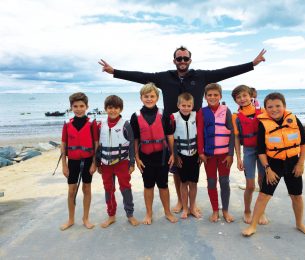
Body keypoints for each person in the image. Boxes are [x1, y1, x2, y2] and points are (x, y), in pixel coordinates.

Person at [99, 46, 266, 211]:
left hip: (195, 128)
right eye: (179, 58)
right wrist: (114, 71)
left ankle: (191, 203)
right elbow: (141, 76)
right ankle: (180, 200)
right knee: (177, 168)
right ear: (174, 61)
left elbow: (225, 72)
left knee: (193, 167)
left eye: (186, 58)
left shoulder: (200, 75)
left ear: (190, 60)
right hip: (172, 129)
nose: (182, 61)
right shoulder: (165, 77)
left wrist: (252, 64)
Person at [242, 92, 305, 237]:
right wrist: (267, 169)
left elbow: (304, 144)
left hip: (293, 164)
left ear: (284, 106)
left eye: (278, 106)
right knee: (263, 196)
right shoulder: (263, 124)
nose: (274, 109)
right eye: (270, 107)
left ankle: (299, 223)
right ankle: (253, 226)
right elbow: (261, 151)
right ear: (265, 109)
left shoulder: (293, 119)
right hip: (274, 165)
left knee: (296, 196)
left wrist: (300, 164)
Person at [130, 83, 178, 224]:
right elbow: (135, 139)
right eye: (146, 96)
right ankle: (149, 214)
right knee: (148, 185)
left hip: (162, 156)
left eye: (152, 96)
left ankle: (167, 212)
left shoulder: (164, 114)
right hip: (145, 157)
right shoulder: (135, 116)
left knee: (163, 185)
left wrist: (173, 154)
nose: (149, 99)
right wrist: (136, 158)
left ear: (157, 97)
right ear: (141, 98)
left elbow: (170, 136)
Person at [96, 95, 139, 228]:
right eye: (110, 108)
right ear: (105, 109)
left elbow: (131, 144)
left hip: (122, 163)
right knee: (108, 189)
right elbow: (98, 146)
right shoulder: (100, 125)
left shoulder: (126, 125)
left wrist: (132, 163)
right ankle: (111, 215)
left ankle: (130, 214)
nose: (113, 110)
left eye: (116, 108)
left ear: (120, 109)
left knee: (125, 188)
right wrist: (98, 163)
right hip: (105, 164)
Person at [60, 92, 98, 231]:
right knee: (71, 190)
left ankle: (85, 218)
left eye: (81, 106)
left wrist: (95, 163)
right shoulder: (67, 124)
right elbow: (63, 145)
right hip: (73, 162)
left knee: (86, 188)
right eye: (75, 106)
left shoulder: (92, 124)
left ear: (87, 107)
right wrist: (64, 165)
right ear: (71, 108)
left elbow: (96, 144)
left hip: (88, 160)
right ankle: (71, 219)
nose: (79, 109)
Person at [196, 83, 235, 223]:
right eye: (209, 95)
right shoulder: (201, 112)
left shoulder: (226, 110)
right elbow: (199, 133)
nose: (212, 97)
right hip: (209, 156)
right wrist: (200, 152)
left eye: (215, 95)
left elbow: (232, 133)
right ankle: (215, 210)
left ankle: (225, 210)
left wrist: (231, 154)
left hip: (224, 155)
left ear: (220, 96)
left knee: (224, 182)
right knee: (211, 182)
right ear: (205, 97)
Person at [231, 85, 267, 224]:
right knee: (251, 185)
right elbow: (236, 138)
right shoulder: (236, 117)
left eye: (244, 95)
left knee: (262, 183)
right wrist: (239, 158)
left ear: (251, 95)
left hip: (263, 151)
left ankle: (261, 211)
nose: (242, 99)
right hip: (249, 151)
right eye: (238, 97)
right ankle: (247, 210)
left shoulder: (262, 111)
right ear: (235, 100)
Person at [172, 92, 201, 219]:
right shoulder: (173, 117)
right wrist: (175, 155)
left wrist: (201, 153)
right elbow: (171, 138)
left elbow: (201, 135)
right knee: (183, 183)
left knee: (193, 183)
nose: (186, 108)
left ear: (193, 106)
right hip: (181, 156)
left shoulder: (196, 116)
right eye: (183, 105)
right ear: (178, 105)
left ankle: (192, 206)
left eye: (189, 105)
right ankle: (185, 208)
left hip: (195, 155)